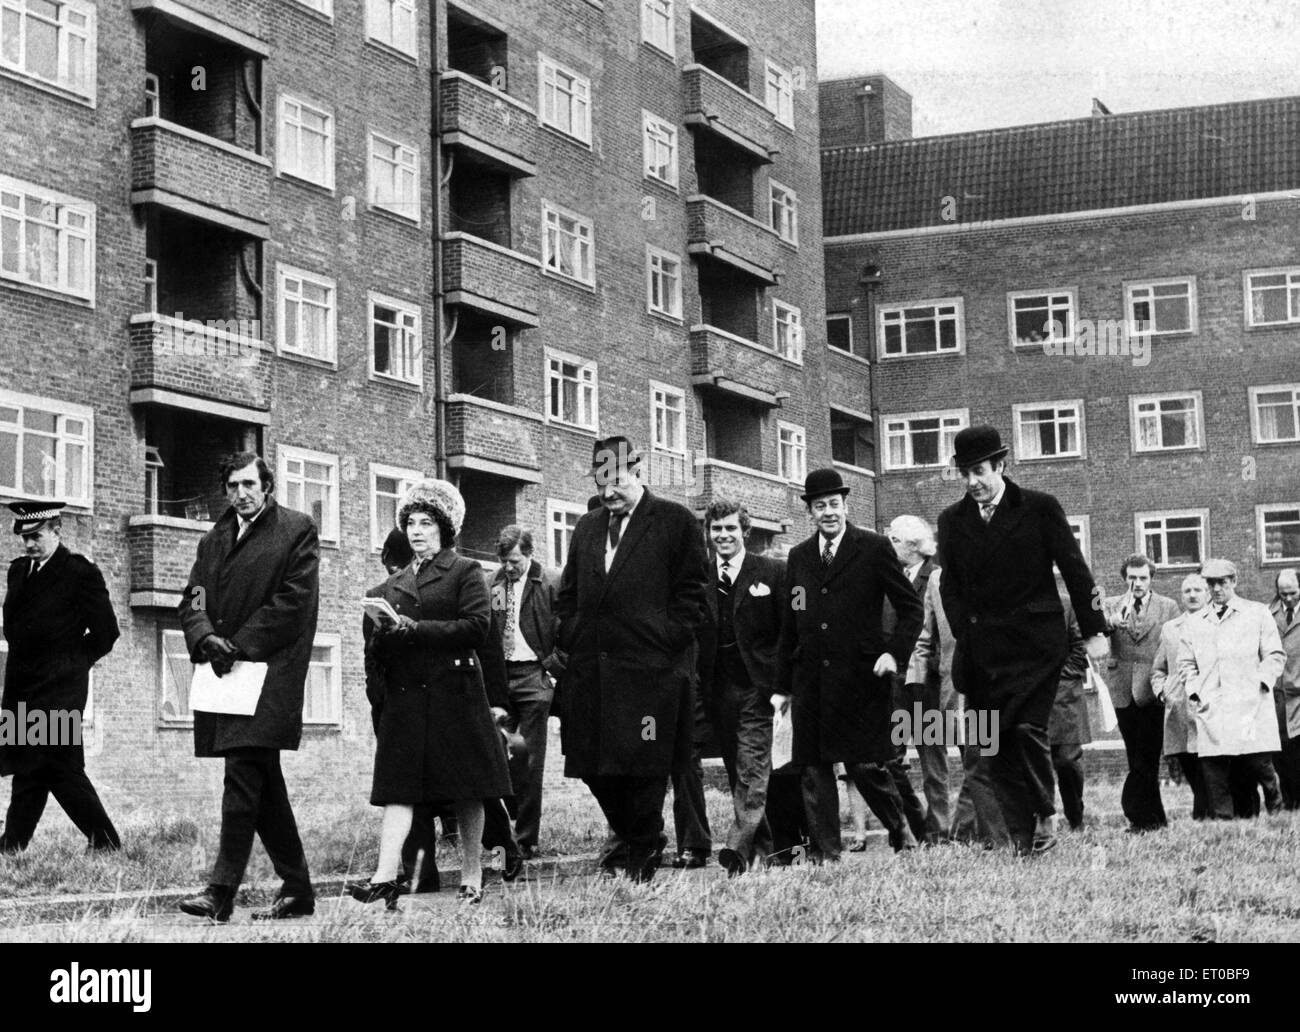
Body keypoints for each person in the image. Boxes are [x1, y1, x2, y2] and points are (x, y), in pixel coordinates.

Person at [936, 426, 1108, 856]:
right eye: (965, 473)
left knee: (1028, 727)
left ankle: (1045, 814)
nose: (972, 482)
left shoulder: (1039, 508)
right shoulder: (951, 521)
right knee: (997, 742)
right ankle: (1020, 836)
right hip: (984, 652)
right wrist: (965, 630)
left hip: (1036, 646)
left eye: (979, 471)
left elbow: (1076, 570)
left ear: (1001, 465)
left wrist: (1094, 631)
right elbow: (950, 587)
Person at [556, 436, 708, 883]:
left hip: (652, 673)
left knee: (644, 767)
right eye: (601, 484)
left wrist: (664, 639)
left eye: (616, 481)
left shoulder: (674, 521)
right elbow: (568, 595)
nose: (607, 493)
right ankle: (642, 836)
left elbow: (693, 596)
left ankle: (641, 852)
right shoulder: (586, 528)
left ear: (637, 471)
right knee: (592, 767)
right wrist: (571, 633)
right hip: (593, 673)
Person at [354, 480, 513, 907]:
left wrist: (415, 630)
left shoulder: (465, 572)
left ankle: (472, 874)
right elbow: (379, 650)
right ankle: (385, 877)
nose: (417, 530)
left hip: (456, 692)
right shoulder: (392, 585)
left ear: (444, 529)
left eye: (426, 523)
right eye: (410, 523)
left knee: (468, 787)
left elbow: (477, 628)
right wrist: (386, 632)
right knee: (399, 788)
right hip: (408, 698)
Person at [178, 453, 318, 922]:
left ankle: (220, 892)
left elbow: (292, 603)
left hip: (269, 674)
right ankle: (298, 889)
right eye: (233, 485)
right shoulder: (213, 538)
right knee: (261, 785)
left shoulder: (296, 529)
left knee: (242, 774)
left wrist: (236, 644)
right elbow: (194, 596)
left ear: (268, 485)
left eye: (249, 484)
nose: (241, 493)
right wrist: (203, 636)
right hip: (225, 674)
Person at [775, 469, 923, 861]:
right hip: (810, 680)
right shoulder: (799, 556)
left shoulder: (872, 547)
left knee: (865, 765)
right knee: (814, 768)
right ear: (809, 511)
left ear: (846, 506)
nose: (829, 512)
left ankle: (899, 826)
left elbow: (910, 608)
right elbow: (792, 620)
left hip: (860, 677)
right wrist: (782, 685)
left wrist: (894, 652)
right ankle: (826, 853)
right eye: (820, 505)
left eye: (835, 505)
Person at [0, 502, 120, 853]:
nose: (29, 545)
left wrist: (71, 661)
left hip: (59, 689)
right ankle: (12, 845)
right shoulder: (19, 571)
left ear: (57, 530)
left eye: (36, 536)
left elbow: (106, 632)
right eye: (24, 538)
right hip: (22, 686)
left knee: (58, 765)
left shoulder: (80, 572)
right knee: (30, 766)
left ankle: (105, 840)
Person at [696, 500, 784, 874]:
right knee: (737, 769)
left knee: (751, 766)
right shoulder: (700, 574)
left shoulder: (772, 571)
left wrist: (782, 685)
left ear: (745, 531)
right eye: (717, 530)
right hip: (715, 687)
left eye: (731, 529)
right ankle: (763, 852)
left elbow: (786, 632)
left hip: (756, 687)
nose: (724, 536)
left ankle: (735, 847)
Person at [1177, 558, 1287, 819]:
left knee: (1259, 764)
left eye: (1222, 583)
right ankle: (1224, 825)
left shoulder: (1256, 613)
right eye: (1211, 583)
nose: (1216, 589)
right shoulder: (1194, 623)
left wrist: (1261, 682)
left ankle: (1278, 813)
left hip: (1252, 704)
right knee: (1215, 769)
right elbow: (1186, 664)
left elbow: (1274, 655)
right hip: (1212, 707)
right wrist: (1195, 693)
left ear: (1234, 582)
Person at [909, 563, 1007, 846]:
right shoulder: (937, 580)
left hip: (995, 680)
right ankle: (972, 834)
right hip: (955, 683)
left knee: (986, 757)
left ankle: (983, 834)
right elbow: (926, 637)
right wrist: (915, 684)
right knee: (973, 759)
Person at [486, 525, 563, 858]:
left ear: (529, 555)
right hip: (501, 679)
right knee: (500, 756)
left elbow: (569, 629)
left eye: (514, 560)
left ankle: (527, 839)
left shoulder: (550, 582)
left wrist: (554, 668)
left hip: (534, 676)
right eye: (504, 560)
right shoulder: (494, 584)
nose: (508, 567)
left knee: (530, 760)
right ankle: (502, 835)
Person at [1100, 554, 1180, 832]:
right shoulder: (1110, 604)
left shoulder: (1168, 606)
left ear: (1151, 579)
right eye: (1132, 578)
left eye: (1143, 578)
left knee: (1149, 753)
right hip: (1121, 688)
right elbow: (1097, 633)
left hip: (1152, 688)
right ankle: (1153, 820)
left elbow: (1173, 645)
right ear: (1125, 579)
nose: (1137, 583)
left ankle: (1135, 811)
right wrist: (1111, 622)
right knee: (1136, 754)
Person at [890, 514, 951, 843]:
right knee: (890, 758)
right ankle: (914, 824)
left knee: (932, 759)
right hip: (897, 682)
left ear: (911, 546)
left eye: (894, 540)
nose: (890, 546)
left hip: (926, 685)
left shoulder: (935, 578)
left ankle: (939, 830)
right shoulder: (894, 577)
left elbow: (940, 633)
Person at [1151, 573, 1210, 820]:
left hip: (1209, 710)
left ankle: (1205, 817)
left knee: (1211, 769)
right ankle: (1205, 815)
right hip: (1180, 711)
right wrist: (1164, 692)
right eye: (1187, 591)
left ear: (1208, 594)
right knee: (1190, 766)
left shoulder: (1218, 624)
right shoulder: (1171, 629)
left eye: (1198, 590)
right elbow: (1158, 669)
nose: (1193, 595)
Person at [1049, 598, 1090, 830]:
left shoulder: (1066, 605)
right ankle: (1044, 821)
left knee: (1066, 761)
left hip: (1064, 697)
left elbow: (1079, 651)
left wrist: (1056, 677)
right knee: (1037, 762)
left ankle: (1076, 818)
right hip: (1031, 697)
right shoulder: (1018, 603)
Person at [1268, 569, 1300, 808]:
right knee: (1282, 754)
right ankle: (1290, 803)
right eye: (1283, 594)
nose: (1288, 599)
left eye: (1293, 593)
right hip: (1277, 699)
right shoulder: (1268, 615)